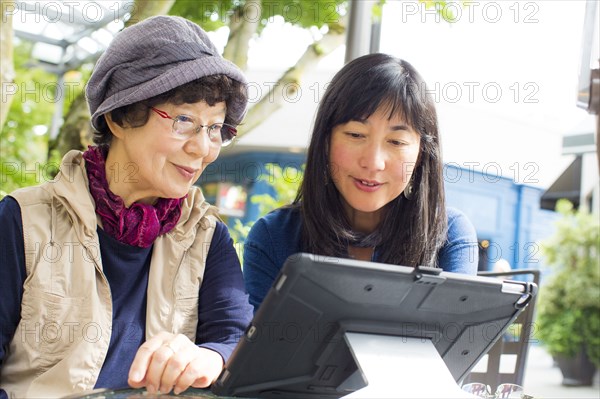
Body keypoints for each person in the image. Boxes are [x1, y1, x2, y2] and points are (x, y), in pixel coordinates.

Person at [0, 16, 253, 398]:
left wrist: (210, 357)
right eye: (184, 120)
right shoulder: (21, 221)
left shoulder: (206, 235)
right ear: (120, 116)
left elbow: (235, 337)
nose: (202, 149)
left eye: (215, 128)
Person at [243, 53, 479, 310]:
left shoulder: (449, 235)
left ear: (422, 153)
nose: (374, 162)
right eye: (356, 134)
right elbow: (261, 346)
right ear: (326, 140)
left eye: (396, 142)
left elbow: (452, 343)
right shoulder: (275, 236)